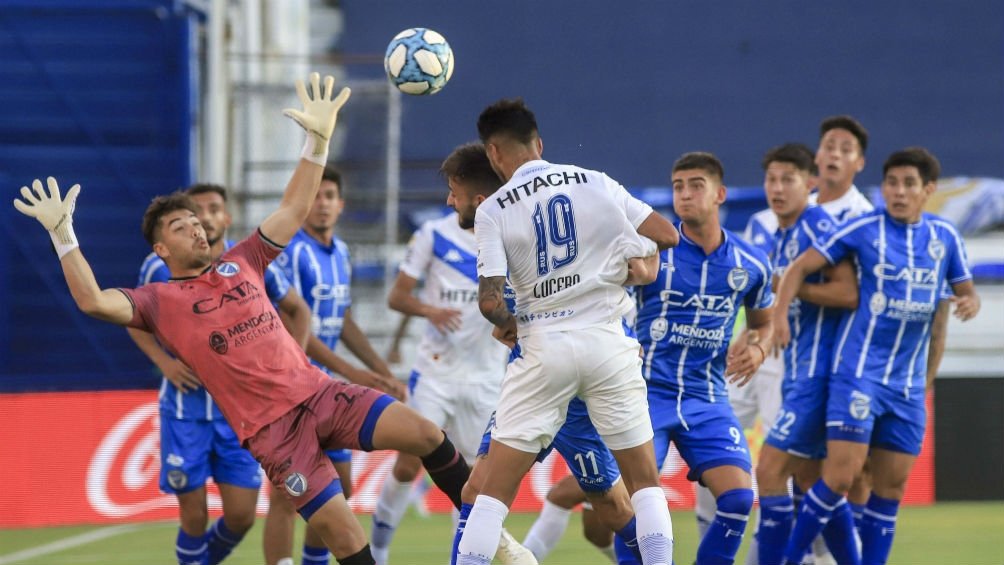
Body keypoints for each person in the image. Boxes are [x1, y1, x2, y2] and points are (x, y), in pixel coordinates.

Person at [14, 73, 471, 565]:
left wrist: (318, 139)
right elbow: (94, 302)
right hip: (275, 434)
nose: (195, 227)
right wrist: (64, 235)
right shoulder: (158, 300)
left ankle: (485, 535)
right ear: (161, 248)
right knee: (345, 538)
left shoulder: (243, 260)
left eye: (196, 221)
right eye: (180, 225)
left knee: (426, 435)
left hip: (321, 394)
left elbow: (294, 207)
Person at [455, 98, 679, 565]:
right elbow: (667, 236)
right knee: (643, 486)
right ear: (538, 143)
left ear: (494, 153)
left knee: (490, 496)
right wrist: (628, 270)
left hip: (543, 347)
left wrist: (511, 325)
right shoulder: (596, 182)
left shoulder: (494, 208)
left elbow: (490, 302)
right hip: (606, 343)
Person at [773, 147, 980, 565]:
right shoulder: (864, 228)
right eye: (892, 183)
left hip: (907, 386)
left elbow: (965, 290)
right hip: (859, 376)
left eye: (908, 184)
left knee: (890, 493)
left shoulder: (944, 237)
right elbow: (795, 269)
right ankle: (788, 560)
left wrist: (970, 302)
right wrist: (778, 319)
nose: (898, 192)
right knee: (840, 478)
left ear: (928, 190)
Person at [126, 182, 312, 565]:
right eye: (197, 210)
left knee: (242, 515)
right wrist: (164, 363)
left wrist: (293, 366)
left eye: (211, 210)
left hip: (241, 414)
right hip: (186, 409)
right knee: (193, 515)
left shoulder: (245, 261)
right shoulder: (157, 267)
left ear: (224, 219)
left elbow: (297, 309)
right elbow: (132, 317)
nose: (204, 218)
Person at [369, 143, 510, 564]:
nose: (449, 199)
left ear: (478, 193)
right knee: (410, 465)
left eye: (455, 189)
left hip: (486, 376)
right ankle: (376, 551)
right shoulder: (433, 234)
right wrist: (430, 309)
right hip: (435, 373)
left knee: (472, 480)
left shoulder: (509, 236)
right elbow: (397, 296)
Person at [634, 152, 775, 565]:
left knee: (738, 498)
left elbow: (764, 323)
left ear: (720, 194)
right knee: (630, 507)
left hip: (707, 399)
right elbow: (615, 305)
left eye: (696, 185)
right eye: (678, 186)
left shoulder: (750, 263)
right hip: (645, 396)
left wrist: (758, 348)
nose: (685, 194)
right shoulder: (651, 253)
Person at [264, 163, 404, 565]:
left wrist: (380, 370)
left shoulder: (340, 251)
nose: (322, 205)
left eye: (329, 197)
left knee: (338, 489)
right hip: (291, 387)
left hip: (326, 390)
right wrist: (354, 373)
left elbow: (340, 318)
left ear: (341, 205)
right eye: (315, 198)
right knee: (287, 493)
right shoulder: (291, 252)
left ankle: (314, 561)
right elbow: (293, 321)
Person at [748, 144, 859, 565]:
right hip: (797, 370)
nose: (777, 188)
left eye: (788, 179)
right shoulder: (780, 235)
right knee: (811, 480)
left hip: (820, 374)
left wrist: (793, 288)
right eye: (771, 179)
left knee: (770, 472)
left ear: (810, 184)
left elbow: (849, 292)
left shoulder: (818, 226)